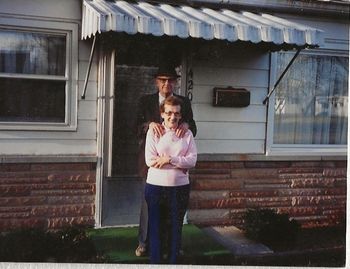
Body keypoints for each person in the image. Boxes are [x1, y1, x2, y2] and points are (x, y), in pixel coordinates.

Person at [135, 64, 197, 257]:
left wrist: (186, 124)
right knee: (149, 209)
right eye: (162, 80)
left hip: (176, 171)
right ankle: (144, 243)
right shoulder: (146, 101)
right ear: (156, 82)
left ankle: (173, 245)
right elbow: (135, 127)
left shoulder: (183, 103)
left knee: (174, 212)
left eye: (170, 80)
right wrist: (149, 125)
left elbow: (193, 128)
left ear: (175, 82)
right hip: (152, 166)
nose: (166, 84)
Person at [144, 95, 197, 264]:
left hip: (179, 189)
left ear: (181, 115)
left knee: (175, 228)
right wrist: (180, 162)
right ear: (162, 113)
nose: (172, 117)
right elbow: (150, 160)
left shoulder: (187, 134)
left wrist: (169, 160)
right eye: (168, 113)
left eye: (176, 114)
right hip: (155, 188)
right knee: (155, 228)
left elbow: (192, 161)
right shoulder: (154, 132)